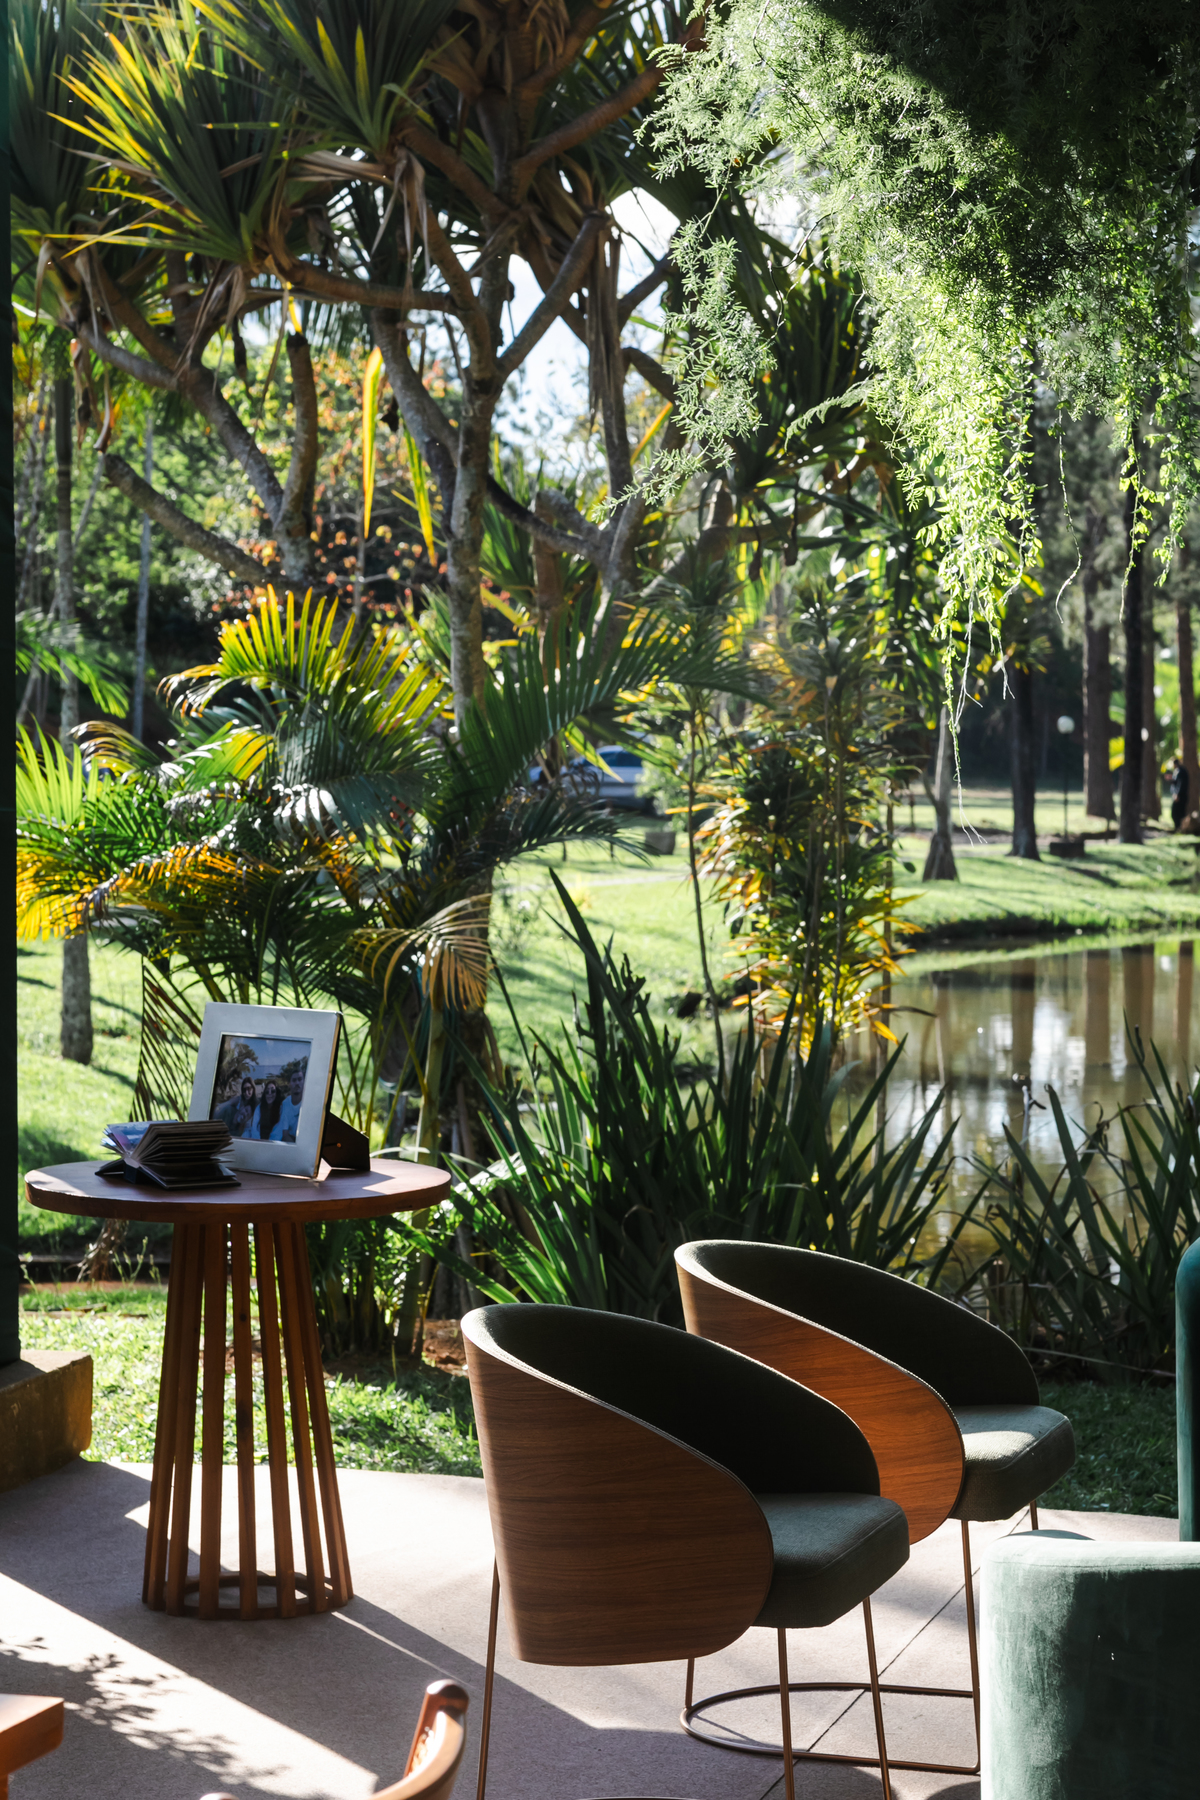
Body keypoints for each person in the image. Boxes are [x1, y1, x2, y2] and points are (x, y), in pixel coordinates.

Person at [278, 1067, 305, 1143]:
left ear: (304, 1081)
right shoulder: (285, 1104)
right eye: (294, 1080)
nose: (297, 1083)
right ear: (290, 1084)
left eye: (300, 1079)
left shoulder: (308, 1102)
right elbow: (285, 1134)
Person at [1170, 757, 1189, 832]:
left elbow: (1180, 784)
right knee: (1177, 813)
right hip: (1179, 795)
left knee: (1178, 813)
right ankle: (1179, 828)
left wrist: (1177, 794)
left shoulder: (1181, 771)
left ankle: (1180, 828)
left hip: (1181, 796)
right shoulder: (1177, 771)